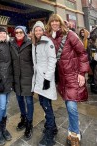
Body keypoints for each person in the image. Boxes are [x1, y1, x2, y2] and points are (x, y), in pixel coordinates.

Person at [46, 14, 89, 146]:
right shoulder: (49, 37)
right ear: (49, 23)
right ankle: (74, 124)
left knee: (71, 105)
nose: (54, 23)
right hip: (61, 78)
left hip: (72, 75)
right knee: (69, 104)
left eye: (56, 21)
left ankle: (75, 133)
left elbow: (82, 53)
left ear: (60, 22)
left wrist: (82, 73)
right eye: (52, 21)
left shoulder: (70, 34)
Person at [31, 21, 57, 146]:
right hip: (39, 79)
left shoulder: (48, 42)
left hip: (45, 79)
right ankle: (53, 126)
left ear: (43, 31)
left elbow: (52, 60)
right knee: (44, 102)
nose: (38, 32)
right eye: (36, 30)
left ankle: (50, 134)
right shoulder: (34, 43)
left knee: (46, 105)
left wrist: (47, 78)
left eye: (40, 30)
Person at [10, 26, 34, 140]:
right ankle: (23, 118)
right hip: (16, 78)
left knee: (29, 101)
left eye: (21, 32)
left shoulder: (30, 44)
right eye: (16, 32)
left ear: (24, 33)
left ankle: (29, 123)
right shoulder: (11, 44)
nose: (18, 34)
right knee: (19, 99)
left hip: (28, 77)